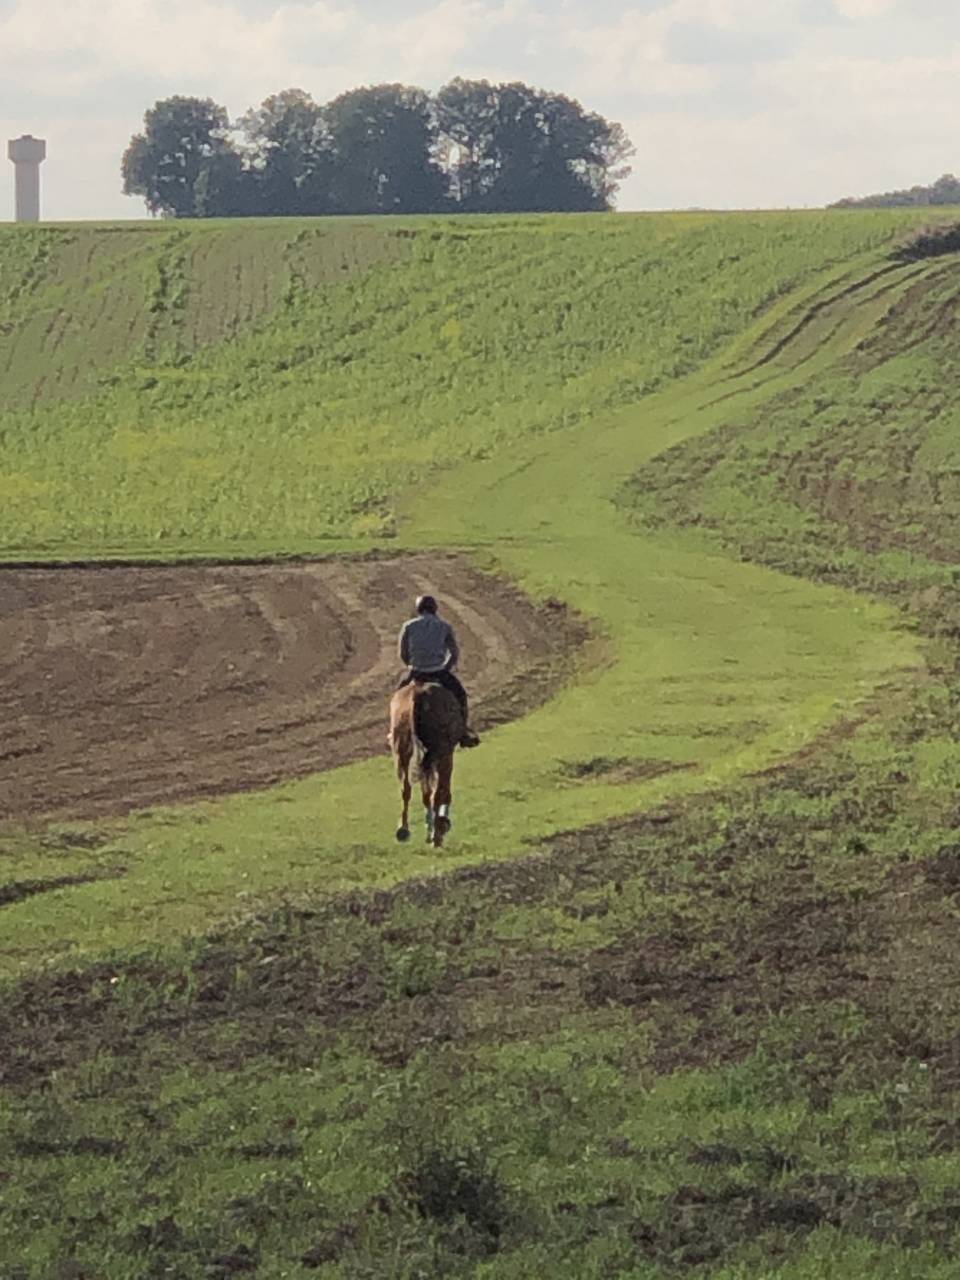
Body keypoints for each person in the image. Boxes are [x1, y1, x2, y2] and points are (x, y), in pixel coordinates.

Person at [397, 595, 481, 748]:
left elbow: (403, 653)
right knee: (460, 695)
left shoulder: (408, 626)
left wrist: (411, 665)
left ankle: (394, 731)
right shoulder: (444, 626)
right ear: (434, 609)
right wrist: (445, 667)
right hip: (438, 672)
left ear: (418, 609)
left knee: (397, 697)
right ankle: (463, 731)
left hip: (416, 672)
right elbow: (454, 653)